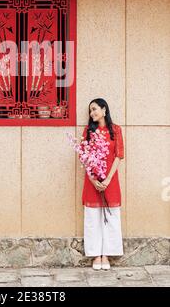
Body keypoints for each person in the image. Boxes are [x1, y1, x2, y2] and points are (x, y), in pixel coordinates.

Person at [81, 98, 124, 270]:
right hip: (92, 180)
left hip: (110, 180)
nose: (92, 113)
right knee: (92, 217)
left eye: (94, 109)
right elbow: (83, 157)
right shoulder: (88, 131)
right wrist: (93, 179)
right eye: (90, 111)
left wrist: (107, 179)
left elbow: (118, 155)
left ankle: (106, 254)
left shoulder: (116, 130)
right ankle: (95, 255)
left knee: (110, 216)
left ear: (104, 109)